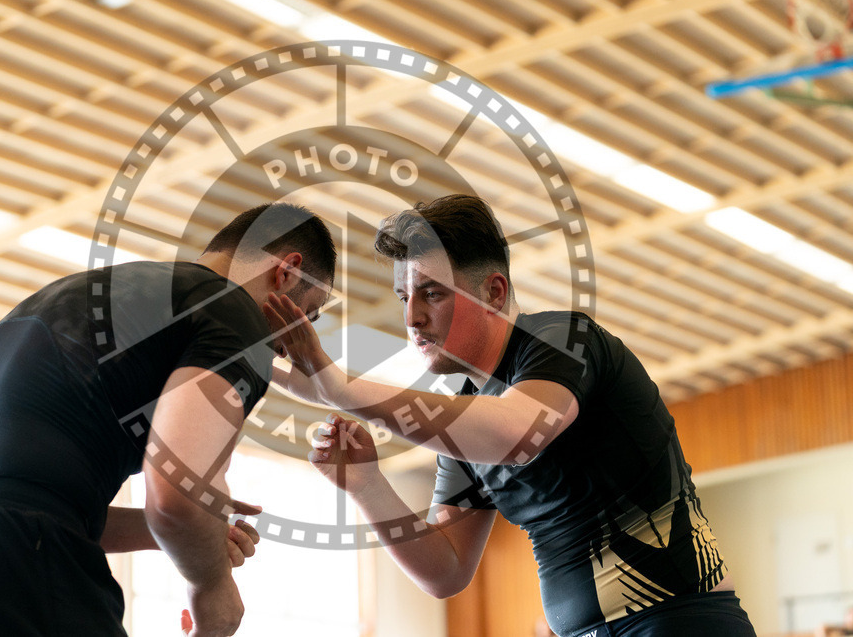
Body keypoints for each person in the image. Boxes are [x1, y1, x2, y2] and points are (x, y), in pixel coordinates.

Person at [265, 194, 756, 637]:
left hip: (678, 621)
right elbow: (446, 571)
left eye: (432, 294)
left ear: (494, 293)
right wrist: (368, 486)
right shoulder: (466, 418)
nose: (412, 317)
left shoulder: (564, 340)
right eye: (404, 297)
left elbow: (515, 433)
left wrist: (336, 386)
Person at [0, 202, 336, 637]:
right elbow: (176, 493)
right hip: (9, 552)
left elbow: (22, 492)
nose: (290, 345)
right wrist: (212, 590)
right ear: (286, 273)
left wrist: (190, 535)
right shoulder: (235, 315)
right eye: (307, 315)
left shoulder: (83, 292)